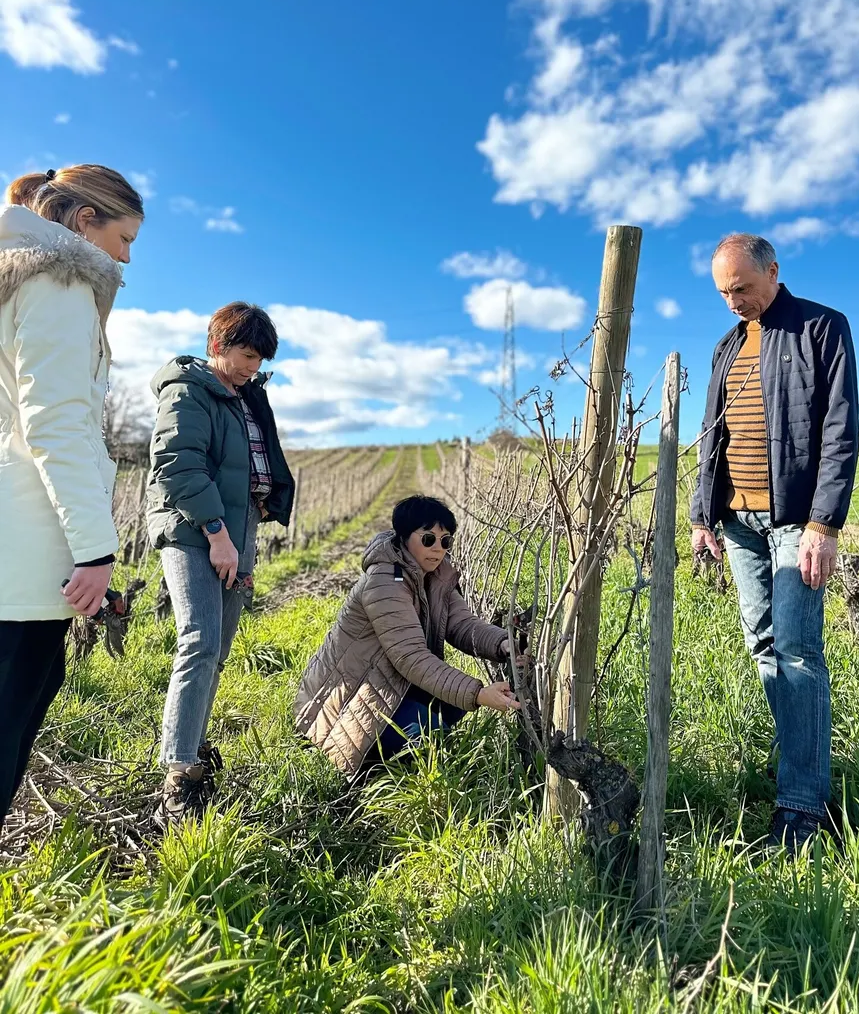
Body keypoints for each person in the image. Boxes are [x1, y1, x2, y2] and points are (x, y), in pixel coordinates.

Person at [691, 233, 859, 855]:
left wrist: (824, 523)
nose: (733, 301)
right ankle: (799, 772)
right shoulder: (726, 346)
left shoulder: (821, 328)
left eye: (741, 287)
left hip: (795, 520)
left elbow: (840, 429)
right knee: (764, 650)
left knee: (796, 652)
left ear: (772, 272)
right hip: (738, 522)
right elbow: (714, 435)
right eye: (723, 292)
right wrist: (701, 514)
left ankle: (804, 810)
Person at [0, 166, 144, 824]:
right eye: (126, 236)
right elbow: (55, 424)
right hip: (25, 555)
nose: (127, 255)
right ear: (85, 221)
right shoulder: (60, 281)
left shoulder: (15, 277)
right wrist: (94, 549)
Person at [146, 302, 295, 823]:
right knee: (200, 641)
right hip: (194, 531)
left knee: (220, 648)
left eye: (261, 358)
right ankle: (178, 773)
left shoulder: (242, 399)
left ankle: (194, 747)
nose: (254, 366)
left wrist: (244, 533)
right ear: (218, 345)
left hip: (236, 533)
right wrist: (216, 533)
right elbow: (177, 465)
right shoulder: (189, 391)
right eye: (247, 354)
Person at [294, 494, 521, 777]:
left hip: (389, 684)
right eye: (428, 539)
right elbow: (410, 657)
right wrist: (477, 694)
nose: (438, 549)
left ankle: (405, 754)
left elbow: (463, 625)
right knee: (429, 729)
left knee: (449, 709)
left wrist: (502, 643)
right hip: (346, 699)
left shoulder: (436, 578)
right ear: (404, 537)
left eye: (445, 541)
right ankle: (376, 770)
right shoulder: (385, 582)